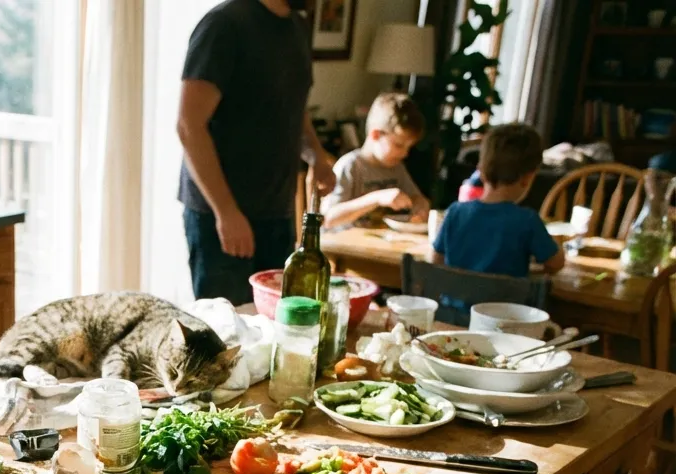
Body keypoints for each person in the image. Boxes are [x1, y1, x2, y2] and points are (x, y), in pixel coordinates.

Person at [177, 0, 336, 306]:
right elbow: (189, 126)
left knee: (276, 326)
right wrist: (226, 212)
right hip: (222, 215)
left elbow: (294, 106)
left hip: (276, 212)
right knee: (227, 332)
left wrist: (316, 154)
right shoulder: (224, 24)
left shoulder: (297, 27)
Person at [430, 123, 564, 282]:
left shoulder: (455, 212)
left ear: (481, 171)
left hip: (452, 307)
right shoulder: (527, 221)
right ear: (528, 177)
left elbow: (435, 262)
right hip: (506, 307)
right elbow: (556, 264)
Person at [321, 92, 429, 230]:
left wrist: (420, 206)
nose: (405, 153)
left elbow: (417, 198)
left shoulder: (397, 168)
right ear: (376, 135)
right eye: (399, 145)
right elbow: (328, 218)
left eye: (409, 147)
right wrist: (376, 198)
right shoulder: (350, 166)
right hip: (342, 246)